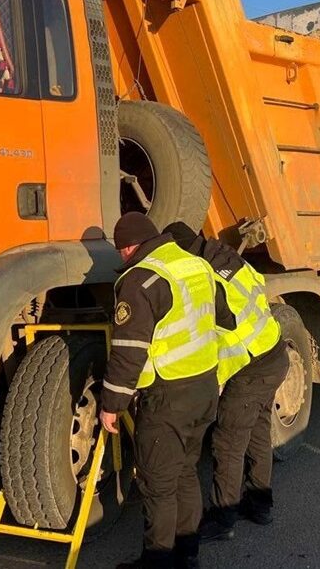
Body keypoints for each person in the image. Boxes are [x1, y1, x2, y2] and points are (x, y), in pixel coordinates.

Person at [100, 213, 224, 569]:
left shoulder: (140, 279)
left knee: (158, 484)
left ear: (127, 247)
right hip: (203, 387)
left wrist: (112, 404)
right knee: (185, 471)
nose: (123, 257)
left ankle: (157, 563)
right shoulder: (194, 265)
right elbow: (220, 318)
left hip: (169, 396)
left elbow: (128, 351)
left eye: (121, 250)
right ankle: (188, 556)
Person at [163, 222, 290, 543]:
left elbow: (208, 336)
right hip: (272, 349)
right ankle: (260, 504)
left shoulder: (201, 277)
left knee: (228, 440)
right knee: (258, 429)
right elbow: (258, 286)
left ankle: (223, 517)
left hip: (251, 365)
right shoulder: (226, 255)